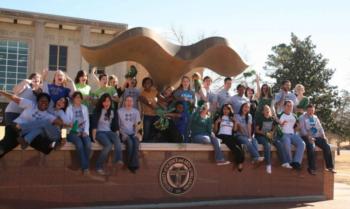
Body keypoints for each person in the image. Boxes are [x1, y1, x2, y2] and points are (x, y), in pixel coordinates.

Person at [255, 105, 292, 173]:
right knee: (267, 145)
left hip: (269, 135)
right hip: (260, 136)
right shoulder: (260, 118)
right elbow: (256, 130)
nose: (267, 110)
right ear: (263, 112)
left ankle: (284, 162)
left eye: (268, 109)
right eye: (266, 109)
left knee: (279, 143)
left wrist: (272, 133)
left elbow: (276, 127)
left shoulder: (272, 118)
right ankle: (268, 164)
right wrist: (264, 133)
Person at [91, 93, 122, 175]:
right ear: (101, 102)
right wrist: (94, 137)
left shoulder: (113, 111)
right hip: (99, 132)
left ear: (110, 102)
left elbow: (115, 125)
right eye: (104, 101)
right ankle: (98, 166)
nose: (106, 103)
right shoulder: (97, 111)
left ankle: (117, 160)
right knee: (108, 145)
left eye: (108, 101)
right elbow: (94, 124)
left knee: (117, 140)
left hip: (109, 132)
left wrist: (117, 134)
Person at [299, 104, 335, 175]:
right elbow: (302, 129)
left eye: (312, 110)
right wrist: (309, 137)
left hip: (316, 136)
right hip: (306, 136)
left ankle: (330, 167)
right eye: (309, 110)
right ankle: (311, 168)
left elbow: (320, 127)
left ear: (314, 110)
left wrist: (324, 136)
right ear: (307, 110)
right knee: (311, 147)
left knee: (327, 146)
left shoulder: (315, 117)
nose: (311, 112)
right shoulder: (302, 117)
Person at [66, 91, 92, 174]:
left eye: (79, 97)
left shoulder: (84, 108)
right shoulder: (69, 108)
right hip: (72, 132)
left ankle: (82, 164)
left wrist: (86, 132)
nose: (78, 99)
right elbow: (67, 123)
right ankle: (85, 167)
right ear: (73, 99)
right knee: (79, 144)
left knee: (88, 145)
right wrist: (74, 131)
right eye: (76, 97)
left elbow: (87, 121)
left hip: (83, 131)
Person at [214, 104, 245, 171]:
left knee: (241, 145)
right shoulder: (219, 117)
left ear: (230, 110)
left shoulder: (232, 118)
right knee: (236, 148)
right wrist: (216, 123)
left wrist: (235, 122)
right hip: (222, 135)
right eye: (224, 109)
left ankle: (239, 162)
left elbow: (234, 130)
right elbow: (215, 131)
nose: (225, 110)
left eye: (227, 109)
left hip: (230, 136)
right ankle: (240, 163)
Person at [277, 100, 305, 170]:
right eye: (288, 106)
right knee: (287, 143)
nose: (289, 107)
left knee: (302, 143)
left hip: (292, 134)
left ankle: (296, 162)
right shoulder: (280, 115)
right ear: (284, 106)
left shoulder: (294, 116)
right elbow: (276, 125)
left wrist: (298, 127)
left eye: (291, 106)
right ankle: (290, 162)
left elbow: (296, 126)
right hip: (283, 134)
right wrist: (280, 124)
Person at [118, 96, 142, 173]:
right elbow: (118, 125)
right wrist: (123, 134)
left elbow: (138, 124)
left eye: (131, 101)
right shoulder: (119, 111)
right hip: (123, 133)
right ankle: (130, 164)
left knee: (136, 142)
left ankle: (133, 165)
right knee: (130, 143)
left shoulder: (136, 112)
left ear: (133, 102)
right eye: (127, 101)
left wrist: (137, 134)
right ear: (124, 102)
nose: (129, 102)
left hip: (133, 133)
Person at [139, 77, 159, 142]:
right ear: (143, 85)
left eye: (149, 83)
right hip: (147, 116)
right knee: (146, 134)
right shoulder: (141, 94)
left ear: (151, 84)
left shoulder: (155, 92)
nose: (148, 84)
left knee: (154, 133)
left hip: (155, 115)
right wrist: (156, 108)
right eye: (146, 83)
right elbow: (148, 104)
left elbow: (162, 99)